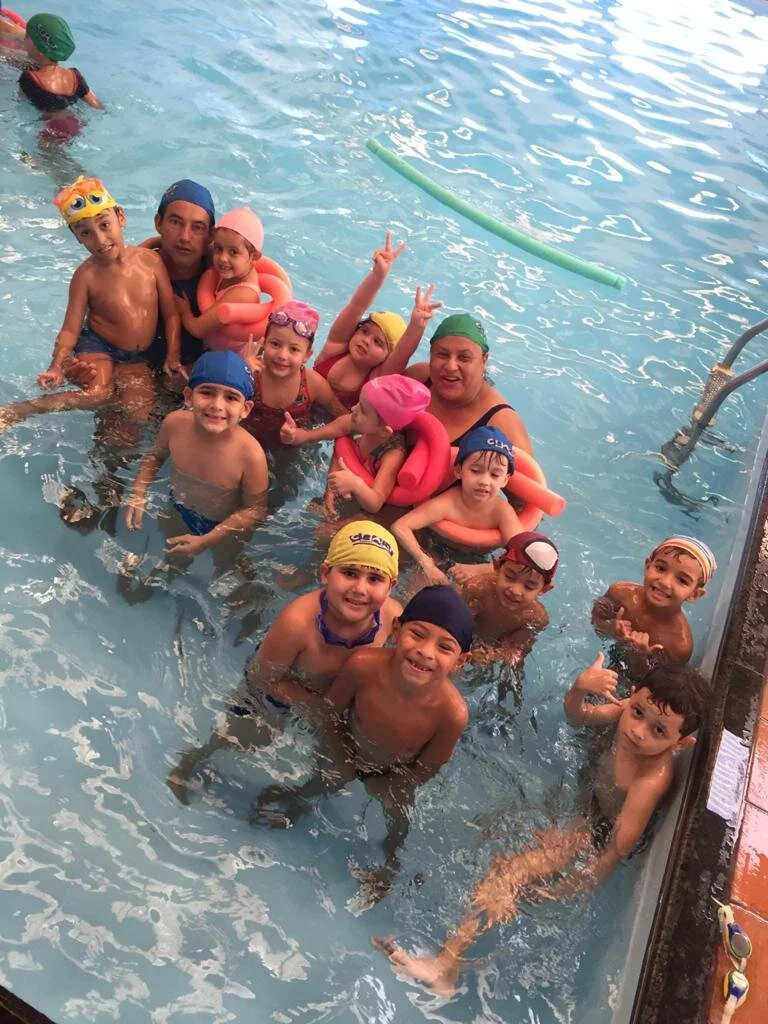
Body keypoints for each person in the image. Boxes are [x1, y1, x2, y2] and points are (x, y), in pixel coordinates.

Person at [373, 658, 710, 996]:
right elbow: (577, 716)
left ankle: (445, 967)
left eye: (659, 731)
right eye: (637, 712)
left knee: (507, 873)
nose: (638, 731)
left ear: (680, 744)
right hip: (583, 805)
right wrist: (580, 688)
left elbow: (615, 850)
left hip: (594, 834)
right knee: (494, 835)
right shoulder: (624, 715)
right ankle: (452, 960)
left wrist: (569, 888)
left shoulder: (650, 781)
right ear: (633, 696)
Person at [254, 584, 472, 902]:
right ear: (396, 629)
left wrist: (395, 783)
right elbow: (331, 712)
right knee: (324, 778)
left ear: (461, 662)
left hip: (395, 772)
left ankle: (390, 861)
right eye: (417, 634)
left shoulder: (452, 714)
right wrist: (341, 751)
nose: (426, 651)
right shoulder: (363, 665)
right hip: (348, 743)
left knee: (398, 820)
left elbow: (429, 766)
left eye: (445, 647)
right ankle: (299, 799)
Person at [167, 521, 402, 804]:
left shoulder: (393, 617)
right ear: (326, 573)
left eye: (375, 579)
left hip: (334, 697)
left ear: (391, 586)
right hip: (278, 687)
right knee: (245, 737)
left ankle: (299, 800)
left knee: (339, 764)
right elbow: (262, 676)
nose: (360, 588)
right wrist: (315, 706)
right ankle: (194, 759)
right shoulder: (298, 623)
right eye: (349, 573)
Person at [0, 176, 181, 434]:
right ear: (77, 238)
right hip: (98, 346)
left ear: (121, 217)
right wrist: (56, 366)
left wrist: (173, 355)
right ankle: (20, 410)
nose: (100, 239)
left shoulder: (150, 262)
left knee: (139, 414)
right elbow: (70, 330)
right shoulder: (85, 276)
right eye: (86, 233)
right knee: (97, 395)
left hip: (136, 356)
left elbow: (172, 314)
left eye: (105, 225)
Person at [123, 351, 268, 562]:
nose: (217, 405)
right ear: (189, 396)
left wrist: (208, 539)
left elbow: (255, 510)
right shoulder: (174, 424)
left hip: (224, 525)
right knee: (172, 555)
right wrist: (138, 492)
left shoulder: (251, 455)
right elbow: (155, 457)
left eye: (231, 397)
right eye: (207, 392)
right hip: (179, 506)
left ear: (245, 409)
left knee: (225, 563)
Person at [313, 232, 442, 408]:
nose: (366, 341)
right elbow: (356, 306)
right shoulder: (334, 348)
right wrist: (378, 275)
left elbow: (402, 353)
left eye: (378, 342)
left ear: (386, 357)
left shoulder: (376, 379)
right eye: (364, 331)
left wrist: (417, 324)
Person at [393, 426, 522, 585]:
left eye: (495, 475)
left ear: (505, 480)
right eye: (475, 470)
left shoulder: (502, 512)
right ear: (459, 470)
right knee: (421, 587)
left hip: (482, 560)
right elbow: (400, 526)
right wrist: (426, 563)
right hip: (436, 549)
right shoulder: (448, 503)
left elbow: (523, 554)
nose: (484, 481)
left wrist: (481, 569)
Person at [405, 312, 532, 456]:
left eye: (464, 357)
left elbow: (528, 470)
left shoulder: (503, 424)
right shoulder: (418, 378)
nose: (451, 366)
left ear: (484, 360)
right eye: (442, 354)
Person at [591, 535, 716, 671]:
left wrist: (639, 658)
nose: (665, 582)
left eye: (682, 581)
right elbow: (595, 621)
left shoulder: (679, 645)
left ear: (694, 594)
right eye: (661, 568)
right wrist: (611, 629)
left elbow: (658, 681)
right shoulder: (620, 593)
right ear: (647, 566)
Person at [241, 301, 347, 449]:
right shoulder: (251, 373)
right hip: (248, 444)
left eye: (294, 349)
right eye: (275, 344)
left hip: (294, 448)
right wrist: (242, 372)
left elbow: (344, 416)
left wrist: (308, 435)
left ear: (307, 355)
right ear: (264, 343)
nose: (282, 355)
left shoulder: (312, 383)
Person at [454, 530, 557, 670]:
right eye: (509, 577)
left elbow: (515, 651)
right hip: (468, 637)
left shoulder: (535, 618)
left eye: (529, 586)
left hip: (492, 647)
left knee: (513, 669)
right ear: (497, 567)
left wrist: (492, 655)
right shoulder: (477, 589)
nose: (515, 591)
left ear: (543, 590)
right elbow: (454, 625)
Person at [175, 206, 265, 365]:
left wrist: (183, 310)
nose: (223, 258)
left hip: (230, 364)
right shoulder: (235, 270)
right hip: (213, 351)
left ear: (254, 257)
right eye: (218, 248)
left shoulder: (243, 294)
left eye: (233, 252)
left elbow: (198, 329)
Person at [18, 13, 102, 113]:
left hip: (49, 123)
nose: (23, 40)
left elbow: (19, 105)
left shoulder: (29, 78)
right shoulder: (75, 76)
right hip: (77, 121)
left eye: (27, 36)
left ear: (39, 48)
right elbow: (97, 106)